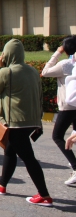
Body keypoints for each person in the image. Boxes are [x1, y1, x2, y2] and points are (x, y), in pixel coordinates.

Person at [0, 39, 52, 207]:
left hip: (16, 121)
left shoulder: (6, 71)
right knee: (10, 150)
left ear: (6, 54)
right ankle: (2, 184)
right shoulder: (32, 70)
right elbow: (39, 94)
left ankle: (44, 195)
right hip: (32, 120)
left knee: (29, 158)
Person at [41, 36, 76, 186]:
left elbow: (45, 72)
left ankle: (75, 167)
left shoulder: (66, 64)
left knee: (57, 136)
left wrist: (57, 53)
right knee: (74, 135)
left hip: (67, 106)